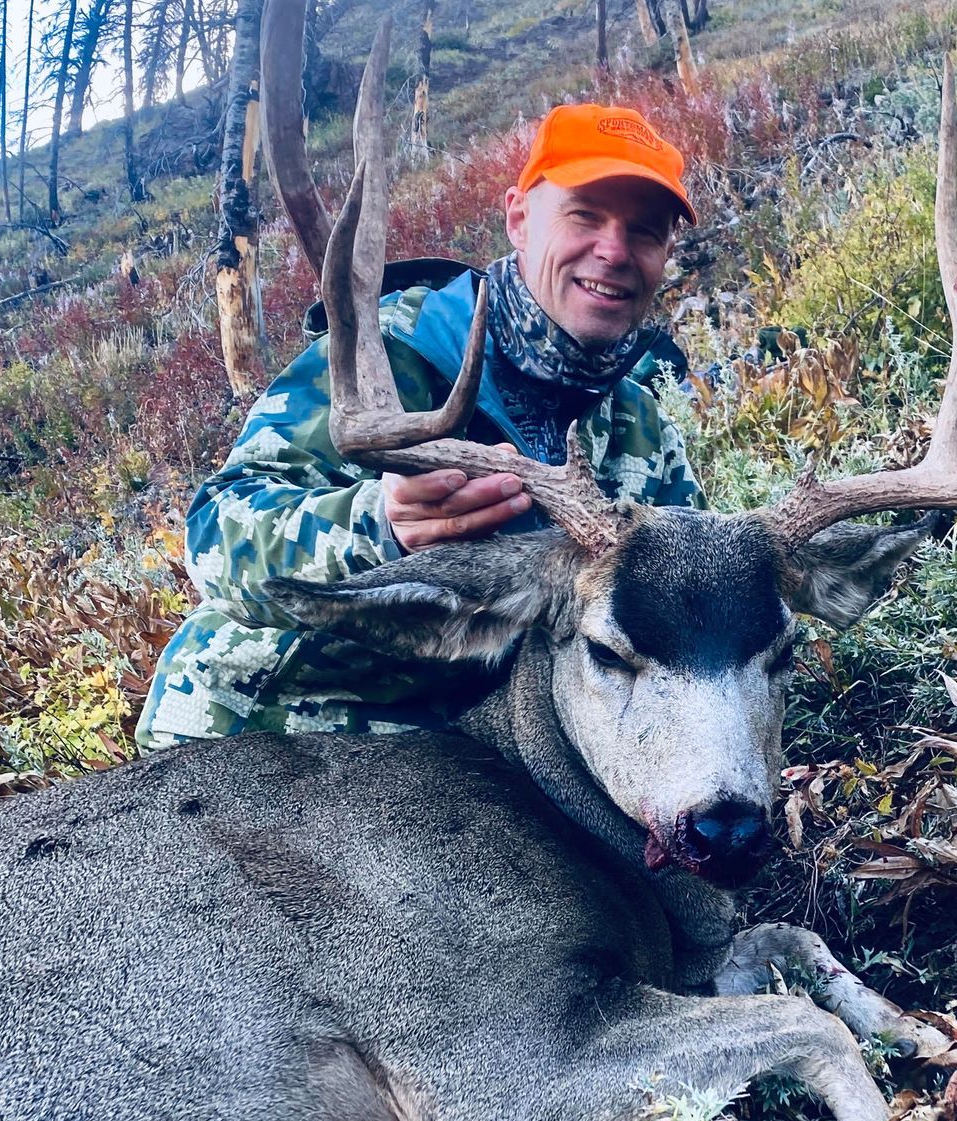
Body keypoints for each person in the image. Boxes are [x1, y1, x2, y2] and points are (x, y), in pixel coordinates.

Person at [136, 103, 703, 747]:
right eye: (585, 216)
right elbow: (216, 533)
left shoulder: (640, 427)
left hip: (479, 757)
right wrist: (376, 527)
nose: (613, 251)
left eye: (645, 233)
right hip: (267, 731)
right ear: (519, 219)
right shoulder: (387, 354)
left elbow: (691, 616)